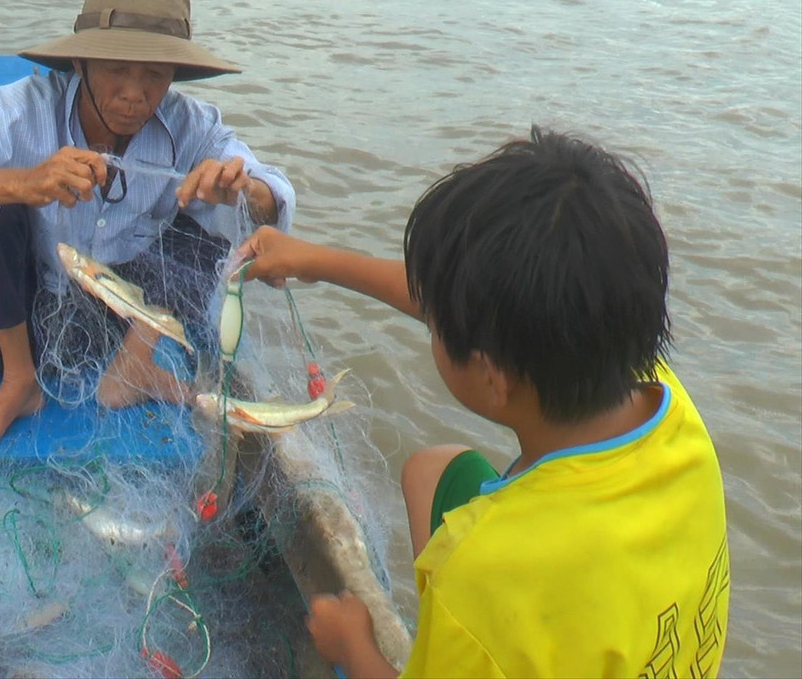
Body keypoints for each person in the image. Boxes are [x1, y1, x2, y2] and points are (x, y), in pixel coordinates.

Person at [236, 127, 730, 677]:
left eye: (437, 324)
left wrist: (355, 648)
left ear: (493, 376)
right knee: (431, 472)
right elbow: (483, 311)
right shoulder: (660, 392)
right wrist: (316, 261)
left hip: (515, 595)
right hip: (609, 592)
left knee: (449, 575)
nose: (431, 319)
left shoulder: (483, 572)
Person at [0, 0, 295, 451]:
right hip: (0, 326)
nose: (135, 93)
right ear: (80, 64)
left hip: (110, 326)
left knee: (208, 207)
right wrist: (26, 181)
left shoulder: (191, 125)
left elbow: (272, 196)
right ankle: (19, 385)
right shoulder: (21, 110)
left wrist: (241, 189)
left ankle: (133, 369)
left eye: (154, 75)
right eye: (117, 70)